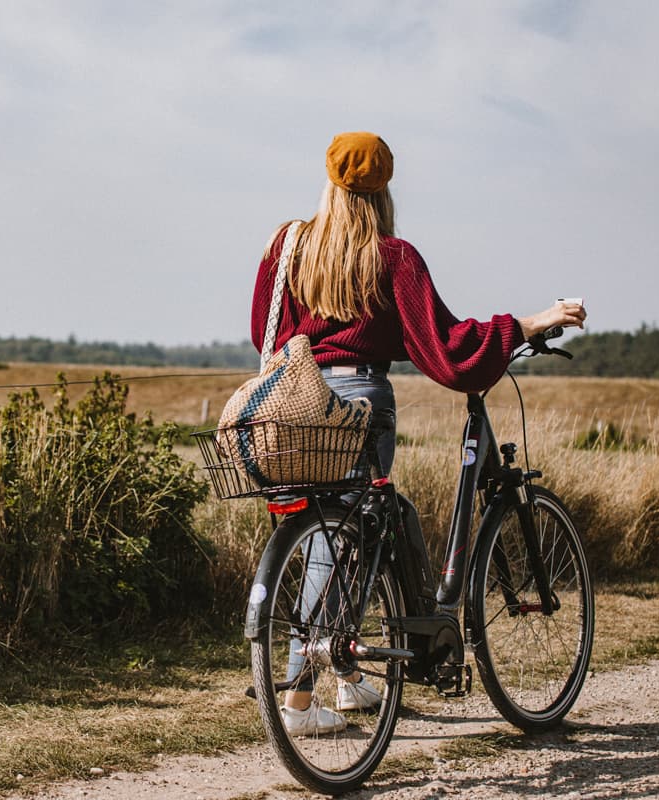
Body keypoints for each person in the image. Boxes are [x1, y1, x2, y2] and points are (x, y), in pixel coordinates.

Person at [249, 131, 586, 736]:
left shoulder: (287, 246)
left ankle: (349, 683)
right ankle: (298, 701)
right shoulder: (392, 257)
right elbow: (447, 345)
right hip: (359, 401)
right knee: (340, 539)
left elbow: (263, 332)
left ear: (327, 181)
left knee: (343, 526)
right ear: (384, 190)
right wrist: (526, 324)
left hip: (294, 400)